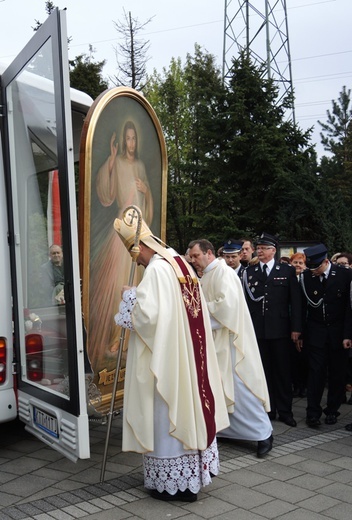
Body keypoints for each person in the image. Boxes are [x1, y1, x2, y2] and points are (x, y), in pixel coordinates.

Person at [114, 209, 229, 502]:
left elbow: (149, 318)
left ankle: (172, 484)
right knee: (188, 408)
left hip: (167, 360)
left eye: (134, 253)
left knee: (165, 415)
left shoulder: (155, 269)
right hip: (189, 356)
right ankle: (187, 477)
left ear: (141, 246)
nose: (135, 260)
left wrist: (130, 297)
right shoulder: (179, 262)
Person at [188, 239, 273, 458]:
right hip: (217, 341)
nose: (193, 260)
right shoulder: (207, 274)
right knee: (220, 387)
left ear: (208, 253)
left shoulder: (223, 273)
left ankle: (264, 434)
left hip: (232, 342)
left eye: (196, 256)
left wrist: (197, 311)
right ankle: (226, 429)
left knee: (241, 387)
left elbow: (227, 308)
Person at [89, 121, 153, 368]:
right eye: (127, 138)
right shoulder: (118, 163)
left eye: (133, 138)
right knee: (117, 283)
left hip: (139, 235)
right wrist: (113, 159)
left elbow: (147, 206)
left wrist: (146, 190)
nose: (130, 143)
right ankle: (115, 339)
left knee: (135, 282)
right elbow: (105, 194)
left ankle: (129, 339)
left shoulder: (140, 166)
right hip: (121, 234)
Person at [243, 233, 302, 427]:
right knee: (264, 372)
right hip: (259, 331)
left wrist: (296, 328)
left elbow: (295, 302)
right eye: (258, 248)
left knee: (283, 372)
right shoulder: (250, 272)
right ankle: (268, 409)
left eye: (263, 248)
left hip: (281, 330)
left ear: (273, 251)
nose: (259, 251)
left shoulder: (286, 270)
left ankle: (285, 411)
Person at [299, 244, 352, 427]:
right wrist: (300, 332)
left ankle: (332, 410)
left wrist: (347, 334)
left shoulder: (344, 275)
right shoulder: (306, 277)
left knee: (337, 374)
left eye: (316, 267)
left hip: (338, 334)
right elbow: (302, 307)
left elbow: (348, 308)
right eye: (311, 267)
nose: (313, 271)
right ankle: (312, 413)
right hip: (316, 333)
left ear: (326, 262)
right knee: (315, 374)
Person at [289, 252, 308, 398]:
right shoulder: (289, 278)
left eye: (300, 263)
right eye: (295, 262)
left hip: (305, 323)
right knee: (293, 359)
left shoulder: (307, 279)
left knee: (304, 357)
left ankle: (304, 386)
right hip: (289, 322)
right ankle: (296, 385)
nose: (298, 265)